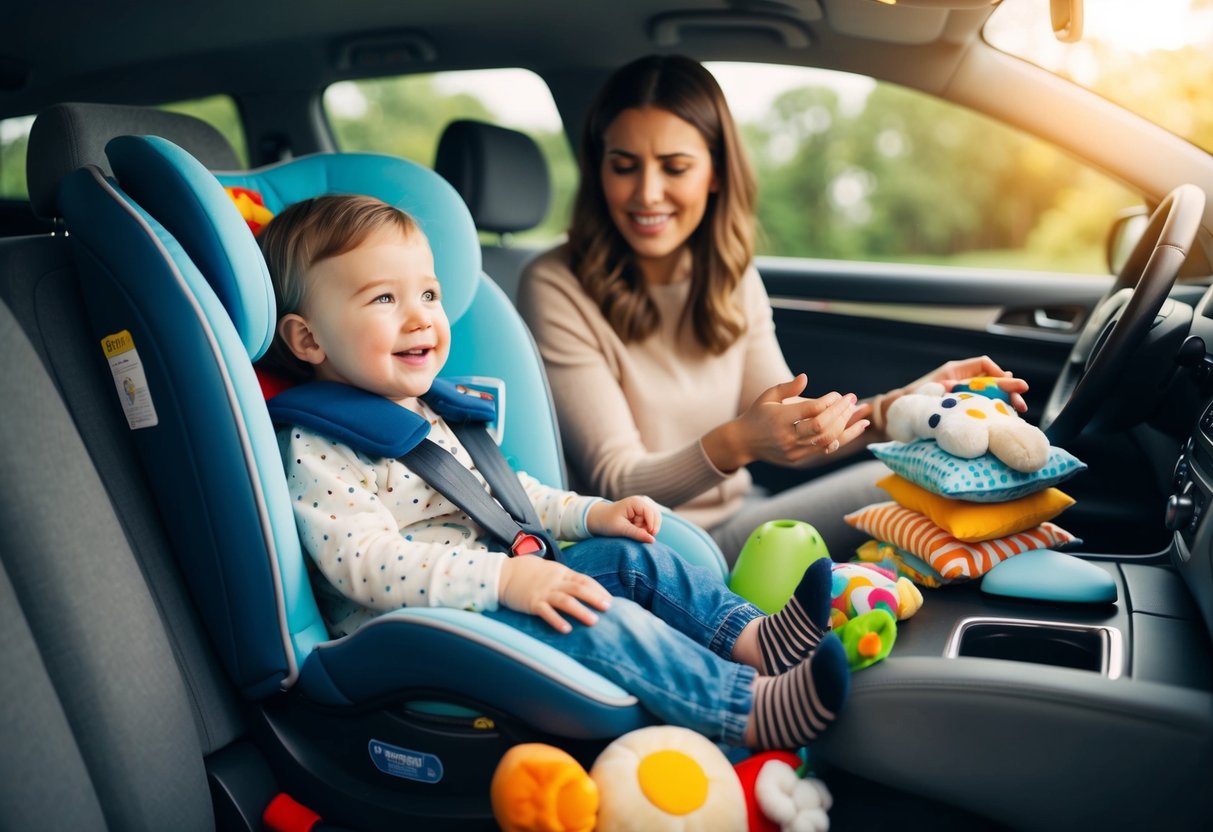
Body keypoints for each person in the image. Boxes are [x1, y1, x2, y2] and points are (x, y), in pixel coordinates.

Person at [256, 193, 850, 750]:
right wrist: (502, 581)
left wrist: (593, 514)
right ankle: (744, 709)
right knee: (597, 613)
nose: (419, 319)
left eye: (429, 296)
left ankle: (752, 639)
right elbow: (364, 565)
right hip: (423, 631)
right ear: (308, 339)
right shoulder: (319, 446)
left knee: (630, 558)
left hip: (508, 583)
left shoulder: (434, 411)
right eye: (384, 299)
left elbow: (511, 498)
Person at [518, 54, 1029, 565]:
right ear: (599, 169)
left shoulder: (731, 275)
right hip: (658, 549)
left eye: (675, 167)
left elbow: (794, 428)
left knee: (942, 461)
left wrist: (902, 407)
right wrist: (736, 443)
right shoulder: (556, 285)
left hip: (746, 517)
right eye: (623, 166)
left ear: (716, 173)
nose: (647, 192)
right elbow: (616, 482)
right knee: (928, 482)